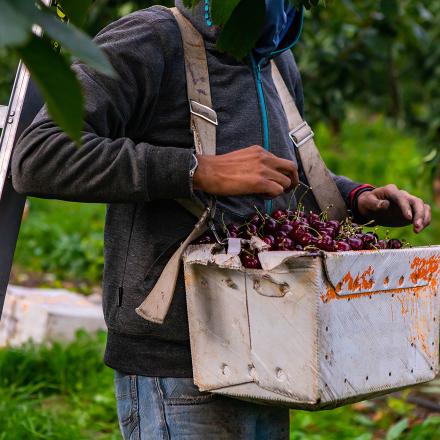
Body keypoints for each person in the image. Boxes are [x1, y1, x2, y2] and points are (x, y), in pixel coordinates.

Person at [11, 1, 431, 438]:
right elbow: (40, 156)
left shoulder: (274, 58)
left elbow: (277, 174)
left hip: (272, 348)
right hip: (180, 363)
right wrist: (198, 170)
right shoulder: (148, 40)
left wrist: (356, 198)